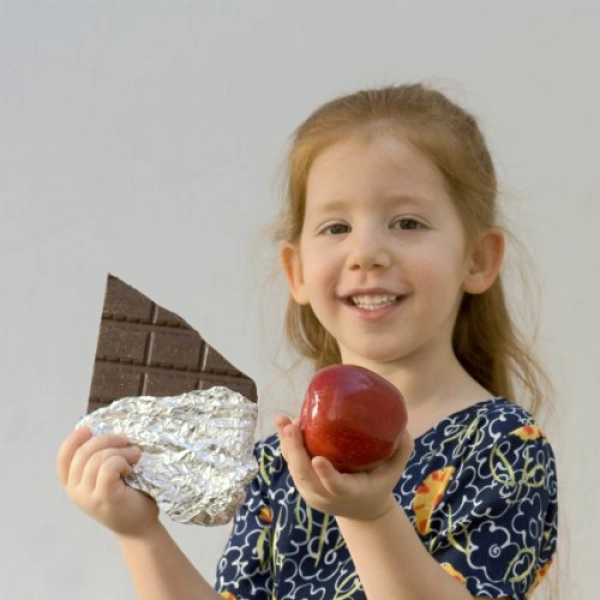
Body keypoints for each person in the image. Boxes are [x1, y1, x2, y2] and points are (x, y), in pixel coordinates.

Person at [57, 83, 558, 600]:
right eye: (336, 227)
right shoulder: (280, 463)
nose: (366, 253)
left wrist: (370, 516)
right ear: (296, 271)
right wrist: (139, 533)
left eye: (407, 222)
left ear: (478, 259)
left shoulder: (504, 447)